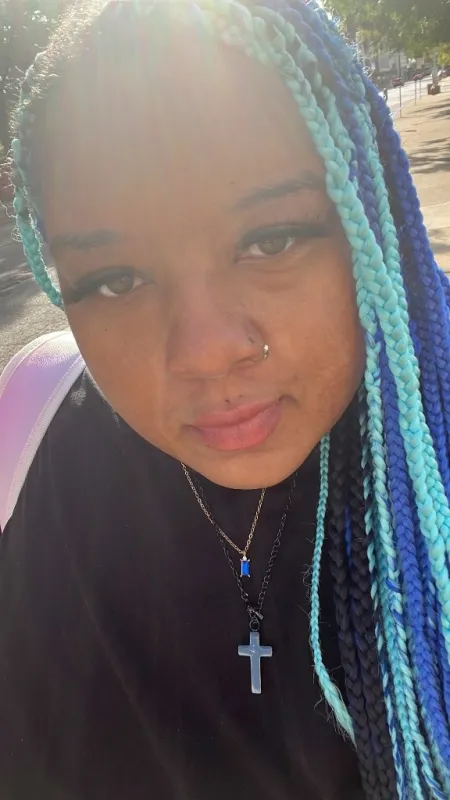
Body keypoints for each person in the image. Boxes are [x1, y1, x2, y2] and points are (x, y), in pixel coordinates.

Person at [1, 0, 450, 798]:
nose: (205, 353)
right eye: (116, 280)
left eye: (271, 240)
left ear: (369, 215)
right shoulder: (33, 427)